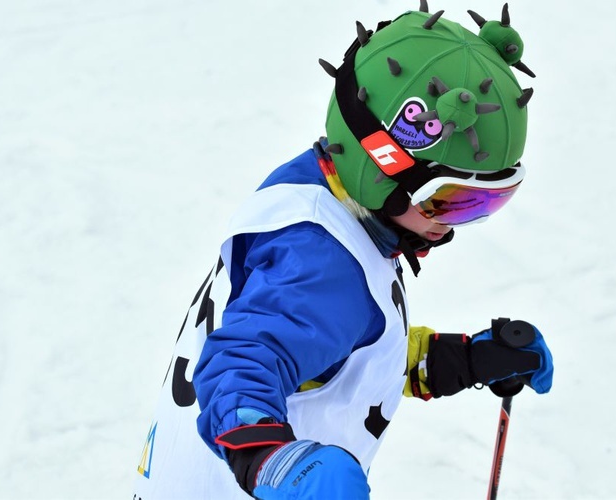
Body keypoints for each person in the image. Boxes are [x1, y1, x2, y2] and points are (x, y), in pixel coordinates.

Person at [133, 4, 554, 499]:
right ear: (381, 169)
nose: (457, 224)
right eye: (450, 201)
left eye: (487, 202)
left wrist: (456, 359)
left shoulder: (323, 190)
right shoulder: (322, 263)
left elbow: (326, 344)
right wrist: (269, 459)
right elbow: (241, 365)